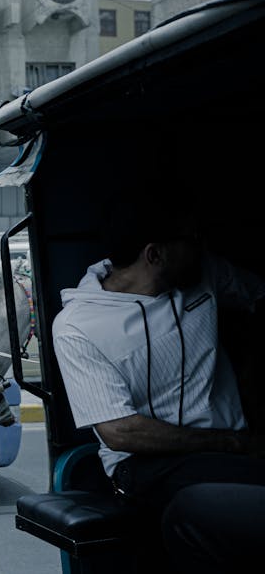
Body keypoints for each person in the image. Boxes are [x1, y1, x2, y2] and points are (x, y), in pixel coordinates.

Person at [52, 192, 265, 571]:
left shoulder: (205, 275)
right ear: (155, 254)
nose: (201, 247)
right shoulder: (77, 325)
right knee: (213, 496)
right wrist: (233, 442)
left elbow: (260, 299)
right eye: (192, 240)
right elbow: (121, 432)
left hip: (229, 446)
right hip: (144, 464)